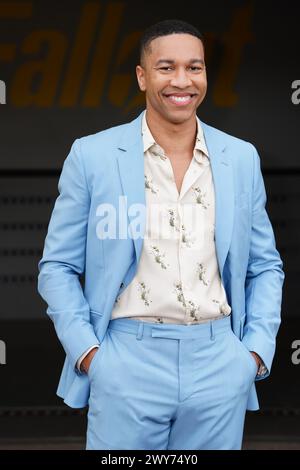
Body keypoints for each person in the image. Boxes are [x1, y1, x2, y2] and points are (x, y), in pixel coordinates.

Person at [37, 19, 284, 450]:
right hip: (125, 358)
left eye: (195, 67)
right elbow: (57, 267)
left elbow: (266, 265)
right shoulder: (92, 155)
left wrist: (254, 353)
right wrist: (91, 356)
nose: (182, 81)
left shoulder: (241, 158)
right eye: (166, 67)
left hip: (218, 359)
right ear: (142, 76)